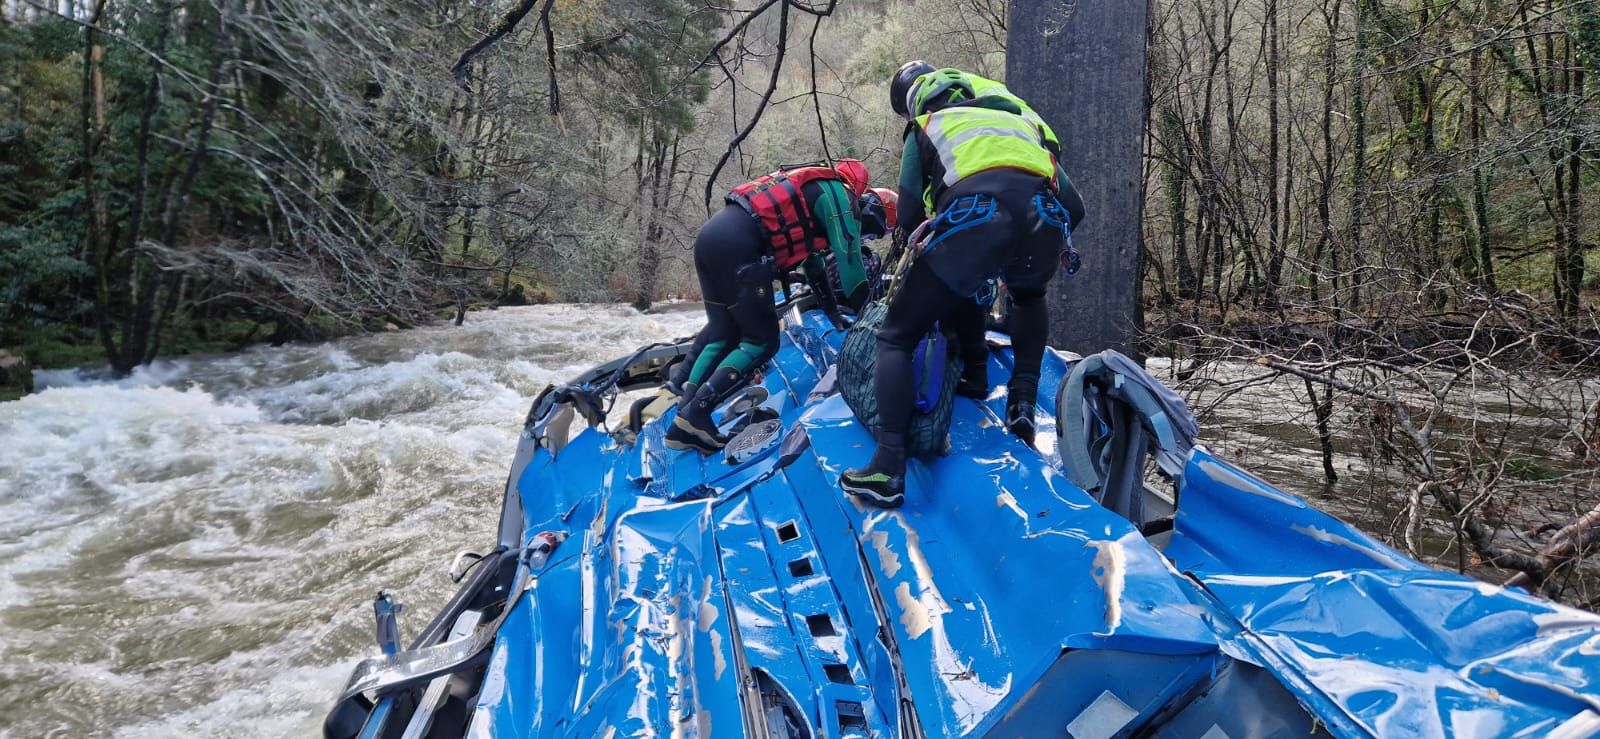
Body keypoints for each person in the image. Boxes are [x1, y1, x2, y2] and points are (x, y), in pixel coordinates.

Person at [839, 63, 1085, 507]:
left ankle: (887, 467)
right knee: (1029, 296)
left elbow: (910, 215)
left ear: (917, 104)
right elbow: (1075, 206)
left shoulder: (927, 127)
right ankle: (1023, 405)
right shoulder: (1019, 120)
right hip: (1043, 218)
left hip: (975, 219)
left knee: (897, 335)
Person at [665, 160, 872, 454]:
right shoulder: (839, 195)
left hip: (711, 239)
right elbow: (851, 269)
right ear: (858, 190)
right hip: (740, 247)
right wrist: (875, 318)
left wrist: (833, 313)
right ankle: (695, 414)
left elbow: (814, 266)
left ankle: (683, 416)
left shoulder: (808, 190)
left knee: (724, 332)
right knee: (761, 342)